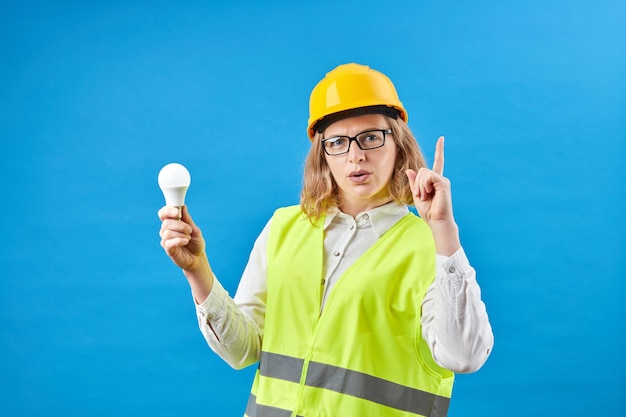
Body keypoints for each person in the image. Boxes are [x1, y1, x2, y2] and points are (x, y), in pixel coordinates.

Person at [158, 63, 493, 417]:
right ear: (323, 154)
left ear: (399, 143)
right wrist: (197, 270)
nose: (356, 155)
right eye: (337, 142)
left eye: (370, 137)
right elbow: (242, 351)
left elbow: (464, 356)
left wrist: (442, 230)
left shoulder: (431, 247)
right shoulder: (283, 227)